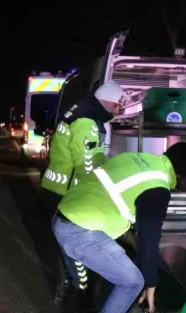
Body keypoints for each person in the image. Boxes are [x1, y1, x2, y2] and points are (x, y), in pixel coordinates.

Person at [52, 142, 186, 313]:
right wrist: (151, 280)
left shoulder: (135, 159)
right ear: (181, 175)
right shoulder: (159, 186)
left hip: (66, 215)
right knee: (132, 281)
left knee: (123, 259)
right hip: (80, 230)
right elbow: (149, 236)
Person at [40, 80, 125, 301]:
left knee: (64, 239)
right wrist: (99, 192)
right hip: (67, 188)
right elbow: (86, 164)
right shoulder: (87, 121)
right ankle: (79, 291)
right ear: (107, 101)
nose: (119, 111)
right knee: (73, 242)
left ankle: (69, 282)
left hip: (57, 185)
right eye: (117, 106)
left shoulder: (82, 110)